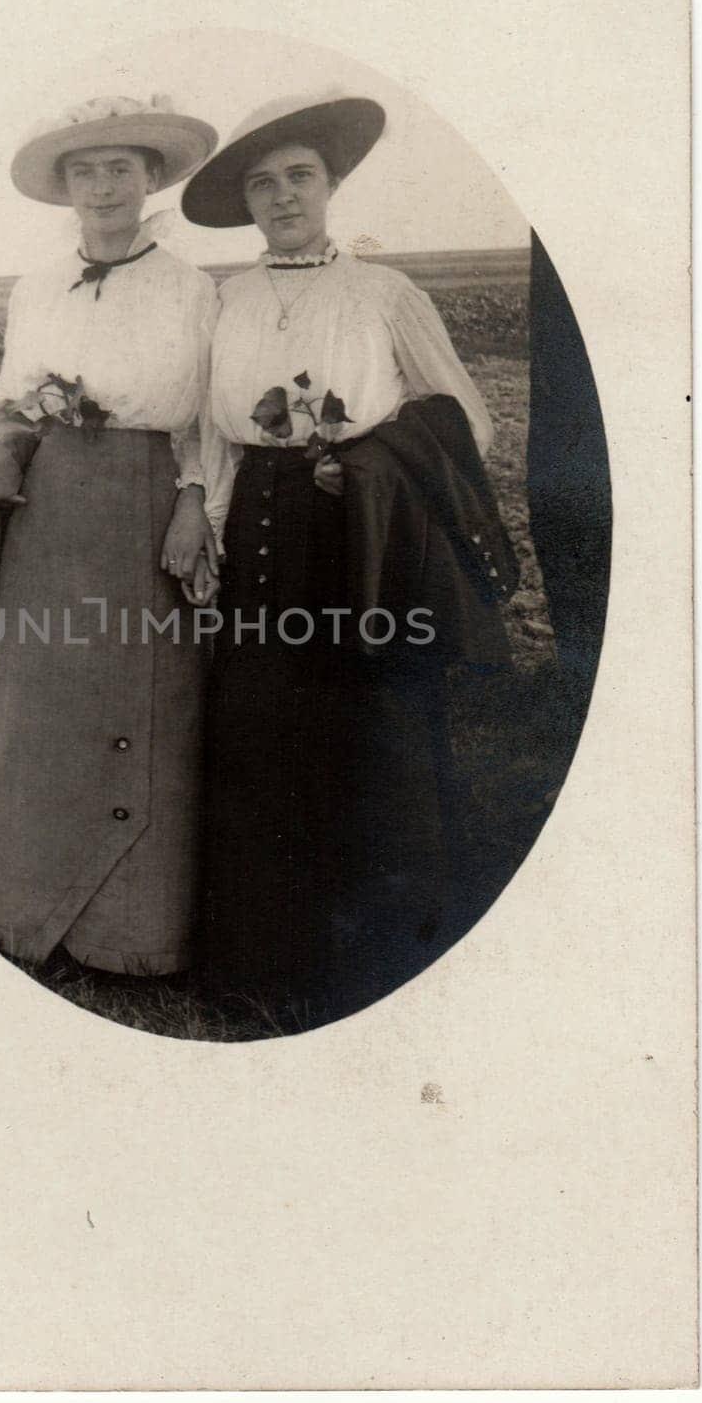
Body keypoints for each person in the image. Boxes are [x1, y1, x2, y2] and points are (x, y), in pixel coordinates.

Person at [182, 89, 516, 1030]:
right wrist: (206, 516)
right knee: (257, 729)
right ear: (246, 204)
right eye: (262, 184)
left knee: (378, 725)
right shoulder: (228, 300)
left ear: (331, 185)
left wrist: (369, 469)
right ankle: (261, 959)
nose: (282, 196)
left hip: (359, 530)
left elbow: (461, 419)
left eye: (299, 177)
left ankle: (391, 952)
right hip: (257, 524)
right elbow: (211, 435)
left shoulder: (382, 292)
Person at [0, 93, 224, 979]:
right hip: (48, 509)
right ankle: (18, 910)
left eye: (121, 169)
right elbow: (9, 400)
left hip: (142, 500)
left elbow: (205, 413)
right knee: (42, 702)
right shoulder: (35, 286)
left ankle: (124, 935)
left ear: (150, 180)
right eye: (85, 171)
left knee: (137, 695)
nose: (103, 187)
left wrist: (192, 504)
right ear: (64, 189)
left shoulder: (188, 287)